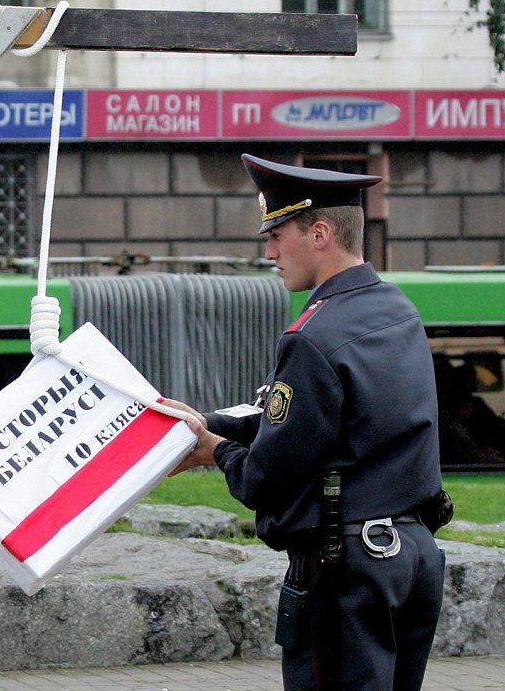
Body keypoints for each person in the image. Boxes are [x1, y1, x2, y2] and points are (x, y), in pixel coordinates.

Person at [166, 154, 448, 691]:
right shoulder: (396, 311)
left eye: (277, 233)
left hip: (347, 570)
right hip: (411, 558)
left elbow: (265, 476)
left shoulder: (311, 337)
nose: (268, 250)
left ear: (319, 233)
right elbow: (325, 422)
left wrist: (212, 451)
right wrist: (210, 422)